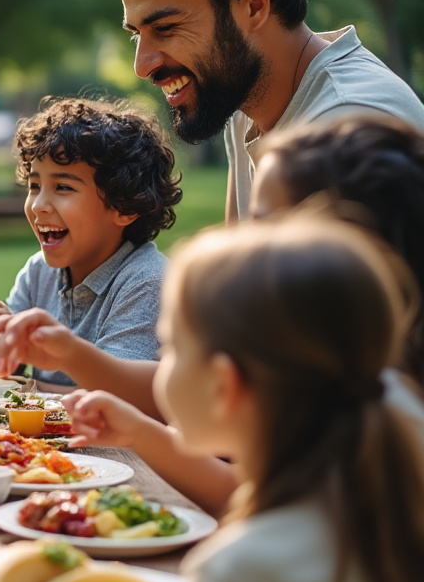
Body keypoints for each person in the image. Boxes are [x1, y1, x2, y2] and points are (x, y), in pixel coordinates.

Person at [67, 116, 424, 516]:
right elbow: (246, 495)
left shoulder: (360, 407)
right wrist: (138, 432)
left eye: (266, 228)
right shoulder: (356, 385)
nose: (240, 243)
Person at [148, 216, 424, 582]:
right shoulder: (396, 517)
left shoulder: (244, 571)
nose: (161, 361)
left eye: (169, 346)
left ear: (223, 385)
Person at [80, 0, 424, 223]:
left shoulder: (347, 137)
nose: (142, 66)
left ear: (254, 5)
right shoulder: (245, 97)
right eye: (137, 34)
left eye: (166, 28)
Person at [0, 98, 181, 393]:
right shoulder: (38, 273)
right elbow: (1, 377)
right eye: (34, 186)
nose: (38, 206)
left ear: (124, 207)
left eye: (63, 187)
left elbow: (115, 400)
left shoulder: (146, 280)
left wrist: (37, 384)